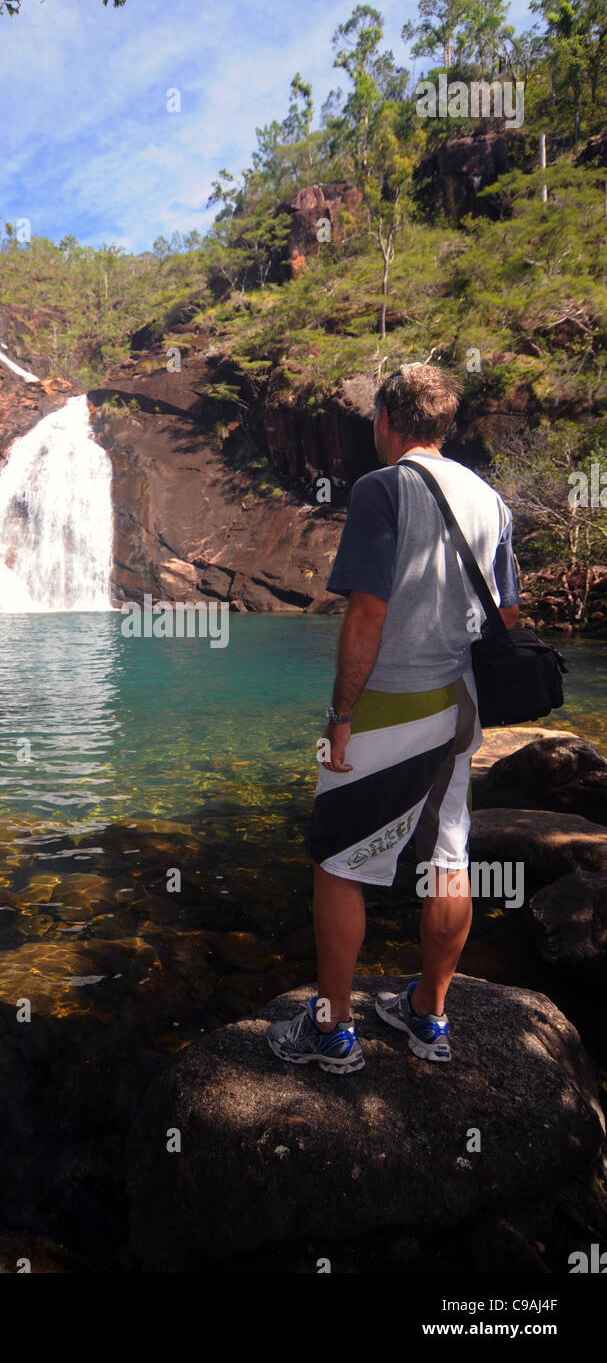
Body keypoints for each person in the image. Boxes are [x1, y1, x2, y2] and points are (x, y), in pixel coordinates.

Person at [267, 362, 520, 1073]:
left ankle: (332, 1028)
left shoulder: (382, 489)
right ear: (444, 423)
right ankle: (427, 1015)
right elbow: (506, 616)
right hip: (459, 704)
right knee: (447, 859)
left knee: (338, 863)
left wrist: (340, 714)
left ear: (385, 420)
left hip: (390, 704)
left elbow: (367, 612)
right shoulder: (491, 500)